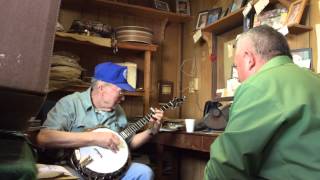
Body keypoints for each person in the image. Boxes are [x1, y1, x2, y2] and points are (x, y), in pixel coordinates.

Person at [204, 25, 320, 179]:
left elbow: (225, 167)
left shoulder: (257, 85)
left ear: (249, 59)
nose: (238, 78)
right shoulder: (314, 79)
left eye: (237, 67)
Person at [37, 62, 164, 179]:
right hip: (74, 169)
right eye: (120, 91)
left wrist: (151, 131)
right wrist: (94, 138)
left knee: (144, 172)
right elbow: (44, 138)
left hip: (111, 169)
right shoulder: (71, 103)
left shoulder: (118, 110)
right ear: (101, 87)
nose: (123, 98)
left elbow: (127, 143)